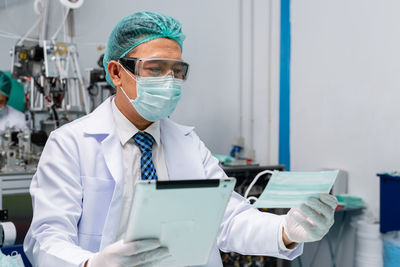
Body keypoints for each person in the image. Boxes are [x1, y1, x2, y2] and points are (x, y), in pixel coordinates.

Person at [24, 11, 337, 267]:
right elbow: (47, 239)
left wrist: (286, 230)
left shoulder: (187, 143)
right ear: (117, 73)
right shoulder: (71, 144)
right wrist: (91, 264)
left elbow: (227, 220)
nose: (169, 82)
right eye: (156, 69)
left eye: (177, 71)